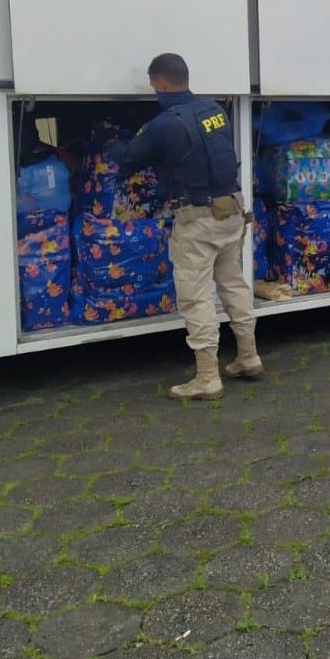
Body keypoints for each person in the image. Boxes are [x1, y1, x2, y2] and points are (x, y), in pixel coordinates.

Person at [108, 53, 262, 400]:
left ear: (160, 82)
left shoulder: (165, 123)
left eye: (153, 85)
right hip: (232, 212)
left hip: (198, 221)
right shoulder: (214, 111)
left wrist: (110, 145)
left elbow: (130, 157)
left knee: (195, 298)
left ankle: (208, 377)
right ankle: (248, 357)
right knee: (234, 285)